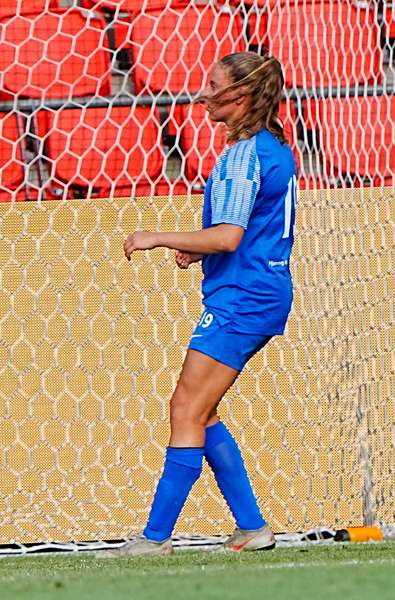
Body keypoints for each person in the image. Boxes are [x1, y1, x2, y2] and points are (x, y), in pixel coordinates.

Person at [102, 52, 297, 557]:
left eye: (212, 85)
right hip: (260, 289)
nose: (203, 93)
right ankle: (252, 527)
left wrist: (158, 237)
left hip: (243, 297)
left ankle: (155, 538)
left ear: (240, 95)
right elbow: (247, 229)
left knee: (186, 407)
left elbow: (230, 237)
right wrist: (198, 245)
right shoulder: (275, 148)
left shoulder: (242, 155)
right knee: (202, 412)